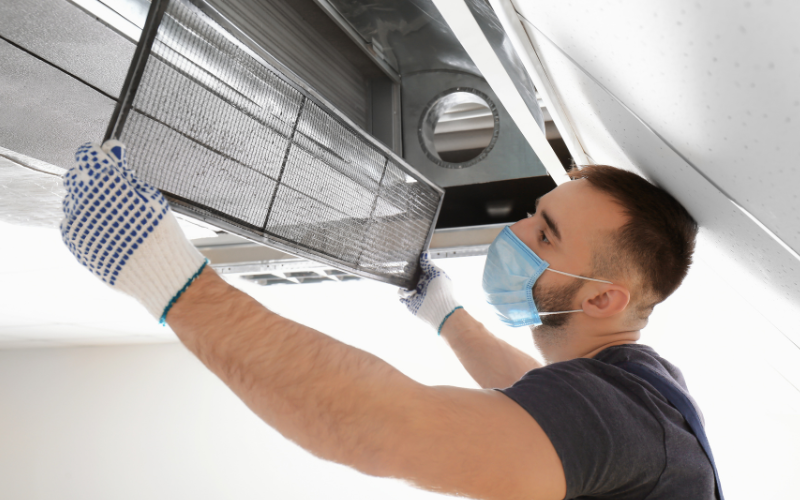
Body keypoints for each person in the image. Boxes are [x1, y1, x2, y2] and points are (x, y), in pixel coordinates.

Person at [61, 140, 719, 500]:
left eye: (544, 234)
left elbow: (382, 427)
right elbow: (535, 402)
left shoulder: (631, 419)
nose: (516, 231)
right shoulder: (639, 393)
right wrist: (445, 314)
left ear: (601, 299)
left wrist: (173, 282)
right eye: (533, 212)